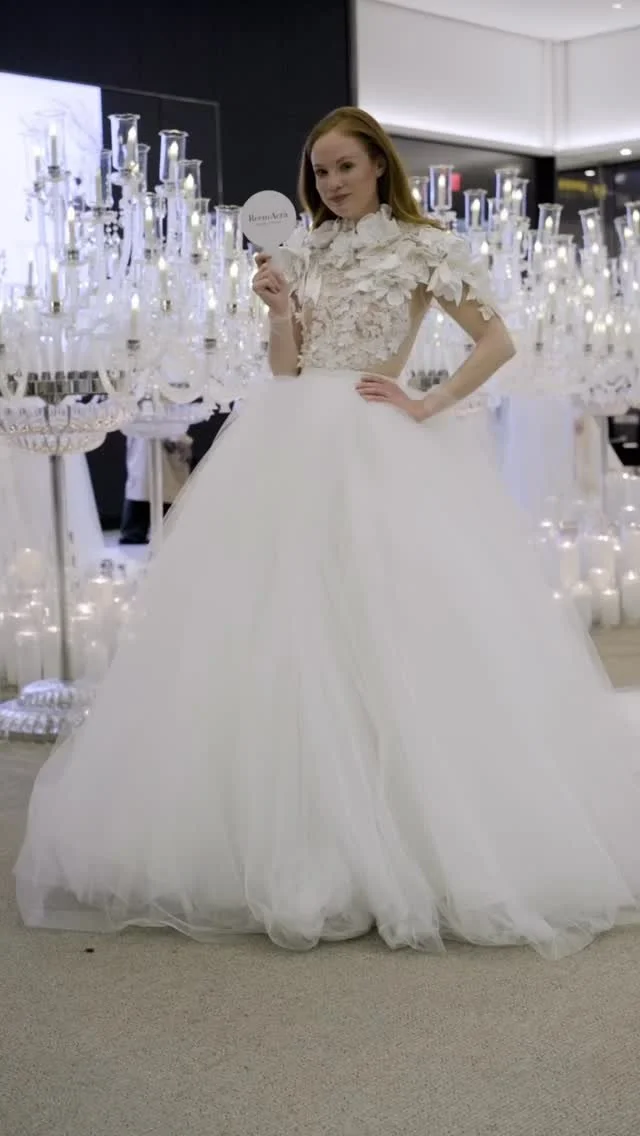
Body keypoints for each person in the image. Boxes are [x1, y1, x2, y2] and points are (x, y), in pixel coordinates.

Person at [14, 107, 640, 961]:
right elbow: (289, 368)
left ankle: (412, 832)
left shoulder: (422, 248)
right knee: (277, 624)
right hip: (289, 440)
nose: (332, 183)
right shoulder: (304, 249)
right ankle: (286, 830)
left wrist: (426, 402)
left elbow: (496, 341)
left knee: (389, 617)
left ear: (379, 165)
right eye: (320, 171)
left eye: (345, 166)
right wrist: (278, 308)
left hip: (375, 438)